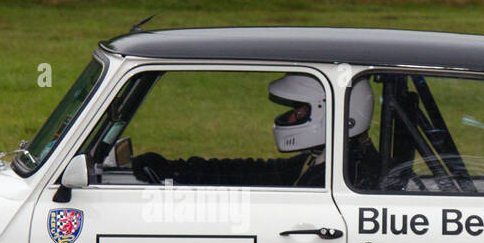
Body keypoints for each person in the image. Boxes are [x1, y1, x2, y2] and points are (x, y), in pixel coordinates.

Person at [132, 74, 377, 188]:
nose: (291, 117)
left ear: (331, 111)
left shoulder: (330, 176)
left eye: (300, 110)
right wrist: (181, 171)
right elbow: (259, 173)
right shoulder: (333, 161)